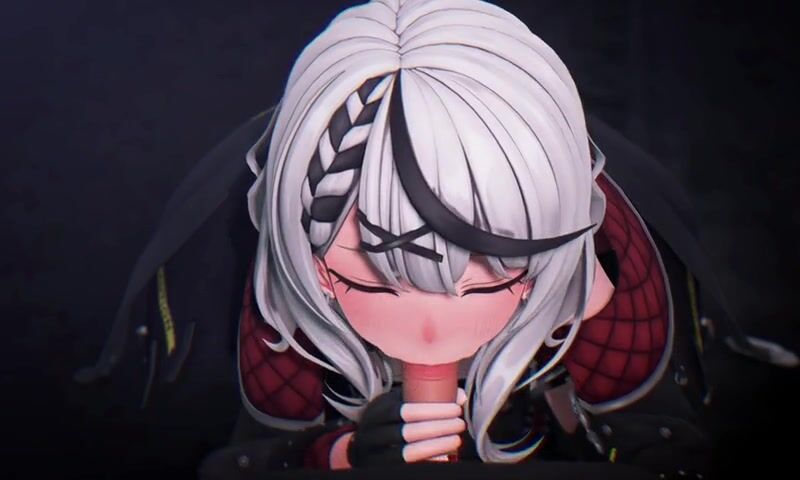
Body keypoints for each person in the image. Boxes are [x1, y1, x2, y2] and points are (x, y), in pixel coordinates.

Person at [76, 1, 797, 479]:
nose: (428, 323)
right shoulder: (280, 305)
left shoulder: (602, 273)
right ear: (311, 261)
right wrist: (343, 455)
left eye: (485, 279)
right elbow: (241, 463)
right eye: (370, 278)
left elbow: (669, 458)